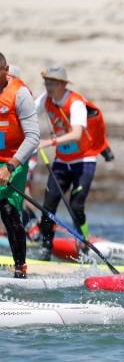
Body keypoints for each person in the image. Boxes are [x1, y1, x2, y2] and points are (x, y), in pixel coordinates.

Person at [35, 65, 110, 260]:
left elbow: (76, 134)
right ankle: (45, 248)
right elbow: (27, 112)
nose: (48, 87)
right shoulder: (46, 99)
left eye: (52, 83)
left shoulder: (75, 103)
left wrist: (49, 142)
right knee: (48, 206)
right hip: (61, 161)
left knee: (76, 206)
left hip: (83, 161)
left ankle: (84, 245)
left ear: (62, 84)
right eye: (46, 82)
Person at [0, 53, 39, 278]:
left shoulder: (20, 93)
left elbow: (33, 137)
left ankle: (20, 267)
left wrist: (10, 167)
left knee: (7, 209)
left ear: (5, 70)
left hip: (15, 159)